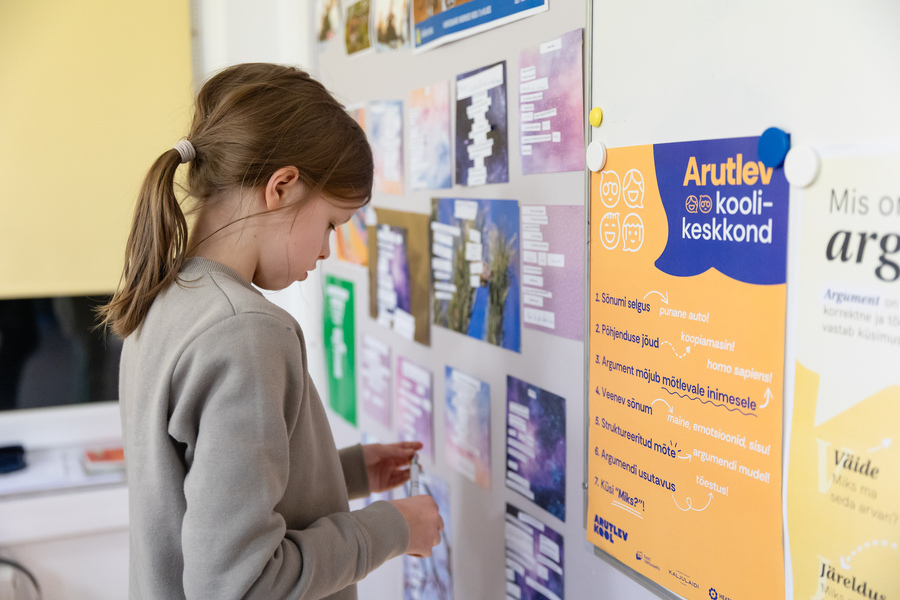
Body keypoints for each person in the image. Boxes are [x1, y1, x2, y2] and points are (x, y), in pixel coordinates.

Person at [99, 63, 443, 599]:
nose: (326, 250)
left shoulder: (167, 297)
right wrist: (393, 528)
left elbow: (203, 492)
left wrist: (345, 473)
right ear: (282, 187)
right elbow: (241, 585)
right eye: (330, 224)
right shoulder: (245, 332)